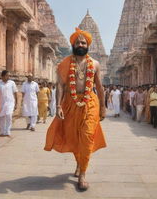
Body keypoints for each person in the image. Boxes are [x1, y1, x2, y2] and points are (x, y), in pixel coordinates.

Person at [44, 28, 106, 191]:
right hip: (70, 103)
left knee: (86, 137)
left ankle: (83, 174)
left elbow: (99, 87)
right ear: (73, 44)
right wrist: (58, 105)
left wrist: (103, 108)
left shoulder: (95, 64)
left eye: (83, 42)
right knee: (73, 138)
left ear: (88, 45)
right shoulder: (64, 64)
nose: (80, 44)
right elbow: (60, 86)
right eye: (77, 42)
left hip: (90, 103)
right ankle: (79, 162)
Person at [0, 70, 18, 137]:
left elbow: (15, 93)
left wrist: (16, 103)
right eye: (7, 75)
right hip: (1, 103)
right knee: (1, 117)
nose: (8, 77)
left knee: (9, 116)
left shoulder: (12, 83)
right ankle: (2, 132)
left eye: (9, 75)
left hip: (10, 102)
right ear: (2, 76)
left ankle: (8, 131)